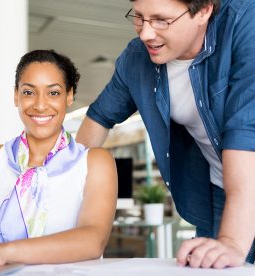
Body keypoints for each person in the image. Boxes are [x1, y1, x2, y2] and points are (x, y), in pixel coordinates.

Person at [76, 0, 255, 269]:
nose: (145, 33)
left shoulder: (245, 22)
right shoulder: (137, 59)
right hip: (222, 190)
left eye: (161, 20)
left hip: (246, 178)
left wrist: (231, 241)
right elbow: (97, 120)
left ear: (204, 10)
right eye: (139, 17)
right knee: (212, 265)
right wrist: (58, 200)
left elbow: (245, 131)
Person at [0, 49, 117, 266]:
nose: (40, 105)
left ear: (69, 96)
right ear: (16, 95)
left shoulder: (95, 163)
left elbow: (92, 241)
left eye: (53, 93)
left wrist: (2, 252)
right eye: (28, 92)